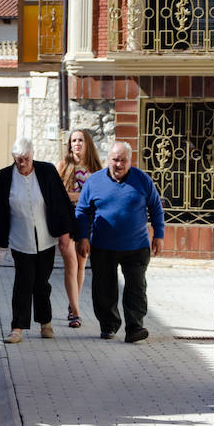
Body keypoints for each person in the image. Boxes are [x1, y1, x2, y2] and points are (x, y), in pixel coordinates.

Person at [73, 141, 166, 344]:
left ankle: (135, 328)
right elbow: (81, 211)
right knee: (104, 288)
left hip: (137, 246)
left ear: (130, 161)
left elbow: (156, 208)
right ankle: (108, 325)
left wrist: (159, 234)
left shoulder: (143, 180)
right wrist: (82, 238)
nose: (119, 164)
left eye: (123, 160)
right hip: (103, 246)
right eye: (115, 159)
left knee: (136, 288)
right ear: (108, 160)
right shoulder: (94, 182)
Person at [0, 139, 75, 344]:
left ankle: (45, 323)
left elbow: (60, 203)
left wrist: (65, 233)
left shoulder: (47, 172)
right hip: (20, 239)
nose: (22, 164)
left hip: (46, 238)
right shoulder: (3, 177)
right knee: (23, 282)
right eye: (18, 160)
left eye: (26, 159)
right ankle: (17, 328)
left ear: (32, 156)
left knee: (42, 283)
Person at [57, 129, 103, 328]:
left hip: (87, 219)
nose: (76, 143)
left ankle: (72, 303)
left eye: (80, 140)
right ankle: (76, 313)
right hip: (66, 218)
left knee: (81, 264)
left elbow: (99, 196)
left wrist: (79, 198)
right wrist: (77, 197)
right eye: (73, 140)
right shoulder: (63, 165)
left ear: (87, 144)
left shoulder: (96, 169)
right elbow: (56, 194)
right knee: (70, 262)